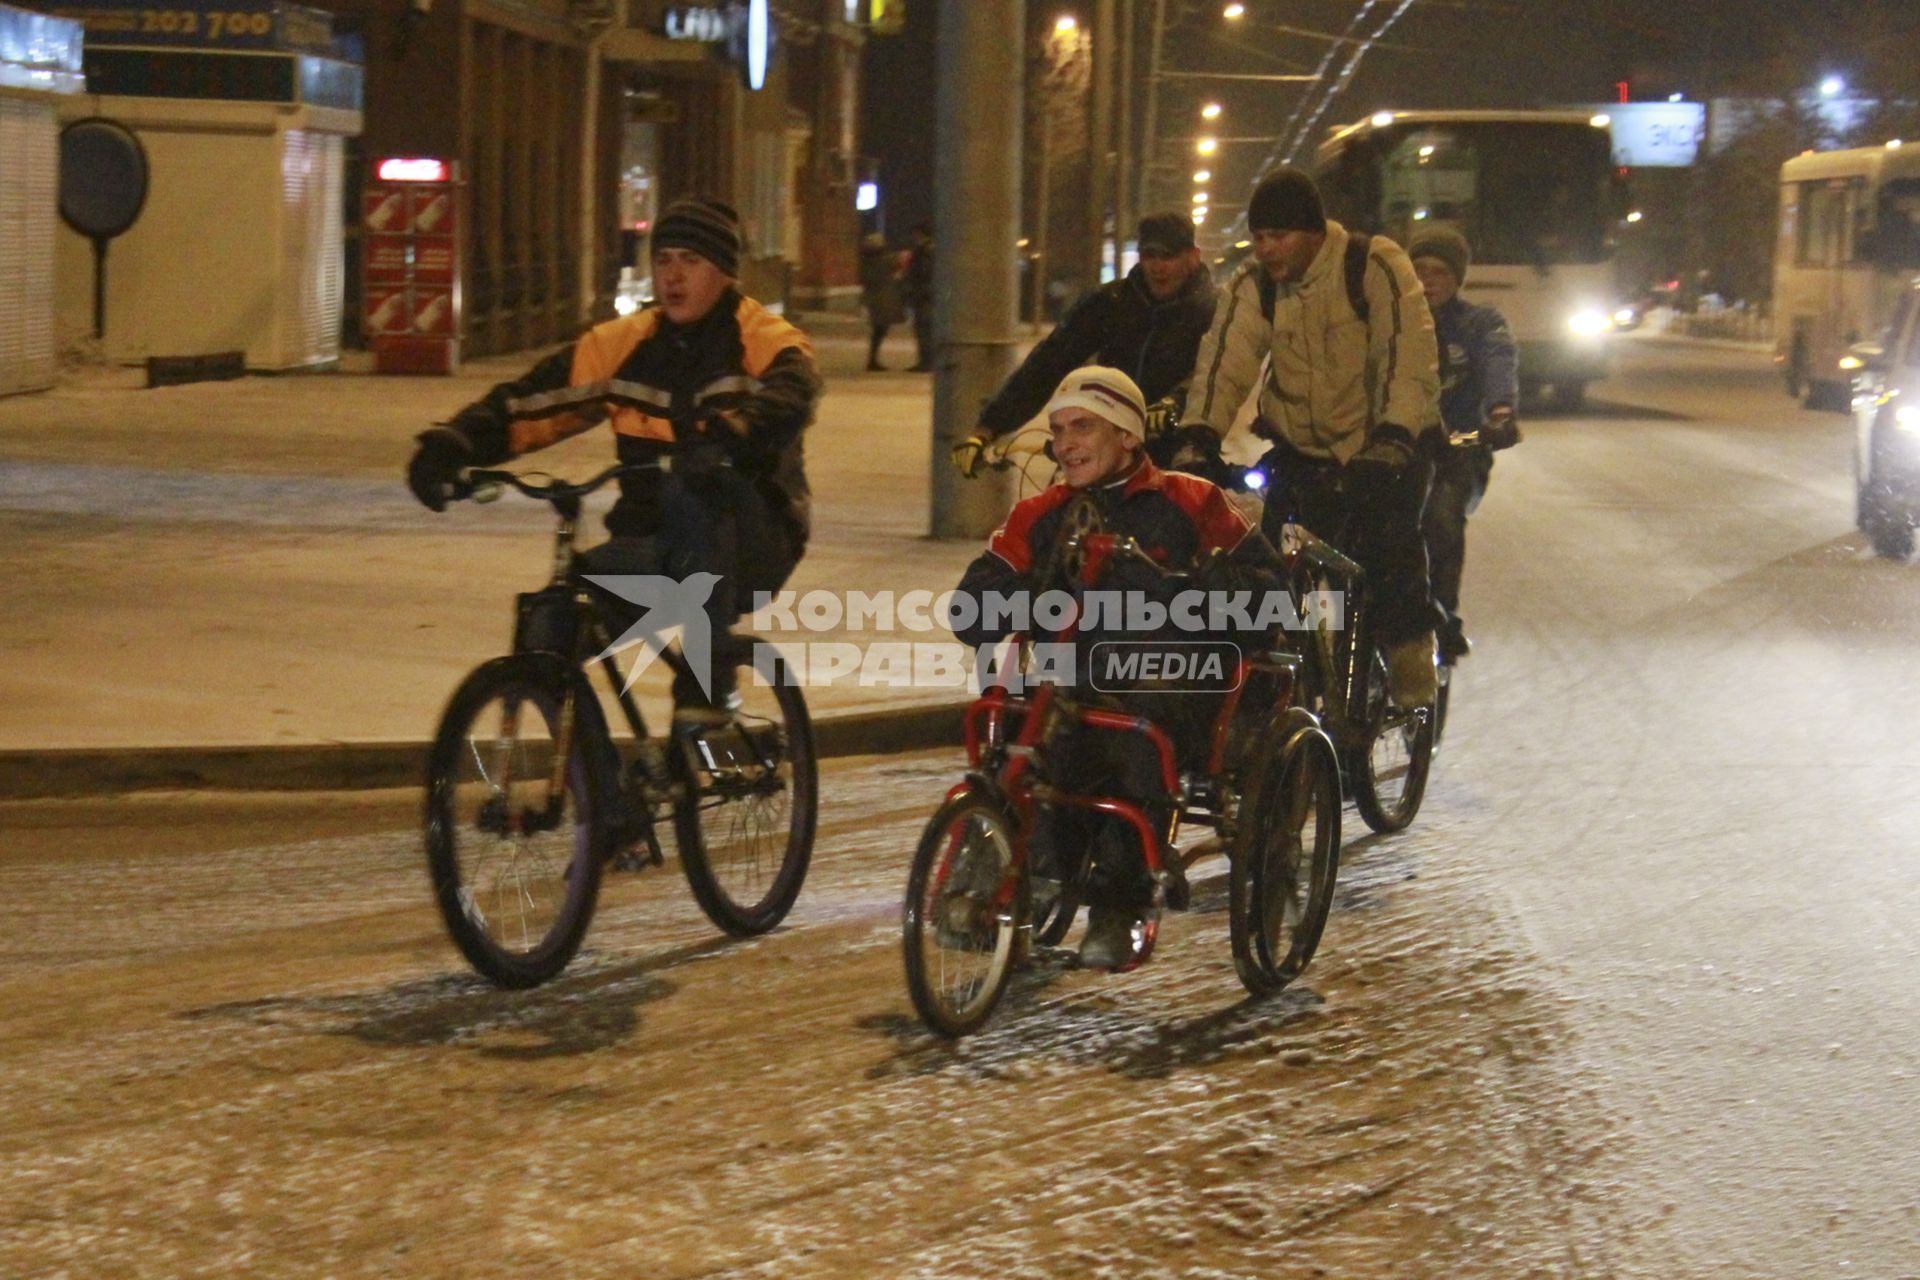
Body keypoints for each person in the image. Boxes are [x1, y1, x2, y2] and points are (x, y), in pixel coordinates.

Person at [404, 197, 821, 723]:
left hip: (752, 536)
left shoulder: (761, 336)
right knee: (555, 621)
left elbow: (794, 391)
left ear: (724, 273)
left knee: (690, 494)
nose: (673, 276)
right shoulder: (626, 343)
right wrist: (455, 443)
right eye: (664, 260)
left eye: (690, 262)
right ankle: (579, 774)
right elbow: (535, 400)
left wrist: (741, 432)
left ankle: (707, 686)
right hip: (652, 540)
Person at [946, 367, 1285, 969]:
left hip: (1169, 682)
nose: (1064, 444)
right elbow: (973, 601)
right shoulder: (1040, 514)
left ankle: (1122, 900)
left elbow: (1266, 596)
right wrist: (1015, 599)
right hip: (1066, 678)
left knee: (1130, 732)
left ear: (1128, 435)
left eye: (1083, 427)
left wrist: (1209, 589)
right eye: (1056, 431)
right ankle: (1009, 868)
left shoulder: (1193, 501)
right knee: (1013, 723)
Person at [1183, 166, 1443, 709]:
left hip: (1384, 445)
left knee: (1388, 545)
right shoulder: (1256, 286)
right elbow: (1224, 359)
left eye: (1279, 236)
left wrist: (1395, 432)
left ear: (1315, 231)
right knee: (1268, 564)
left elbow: (1406, 351)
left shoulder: (1372, 264)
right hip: (1303, 450)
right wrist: (1198, 434)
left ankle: (1409, 656)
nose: (1267, 249)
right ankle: (1274, 689)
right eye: (1259, 237)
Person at [950, 212, 1222, 479]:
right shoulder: (1113, 303)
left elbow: (1218, 376)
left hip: (1177, 451)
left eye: (1169, 256)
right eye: (1150, 255)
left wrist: (1175, 405)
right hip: (1106, 450)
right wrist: (986, 430)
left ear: (1193, 257)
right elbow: (1049, 361)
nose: (1157, 266)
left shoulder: (1213, 311)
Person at [1407, 226, 1520, 663]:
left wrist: (1500, 413)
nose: (1429, 280)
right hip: (1397, 449)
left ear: (1456, 279)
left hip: (1457, 451)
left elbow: (1497, 361)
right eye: (1419, 270)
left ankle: (1442, 618)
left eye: (1439, 272)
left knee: (1440, 516)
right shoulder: (1387, 321)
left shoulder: (1479, 324)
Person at [858, 231, 905, 372]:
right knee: (880, 330)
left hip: (874, 299)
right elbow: (897, 263)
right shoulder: (883, 261)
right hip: (882, 299)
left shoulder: (867, 262)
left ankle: (873, 359)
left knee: (878, 330)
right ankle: (872, 360)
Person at [903, 222, 935, 372]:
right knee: (924, 328)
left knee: (923, 328)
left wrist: (920, 290)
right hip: (925, 294)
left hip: (924, 295)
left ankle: (926, 361)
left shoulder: (925, 250)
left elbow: (924, 272)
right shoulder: (928, 248)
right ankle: (926, 360)